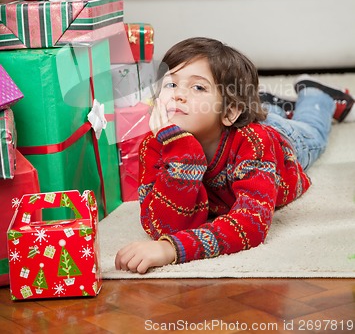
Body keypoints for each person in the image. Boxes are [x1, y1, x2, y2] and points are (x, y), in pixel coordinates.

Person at [115, 37, 355, 274]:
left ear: (230, 112)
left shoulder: (255, 143)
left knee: (314, 133)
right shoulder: (154, 144)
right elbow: (164, 225)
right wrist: (181, 152)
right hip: (229, 117)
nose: (178, 95)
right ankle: (267, 104)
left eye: (198, 87)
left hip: (281, 140)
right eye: (171, 84)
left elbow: (251, 225)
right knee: (261, 109)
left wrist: (172, 250)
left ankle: (316, 95)